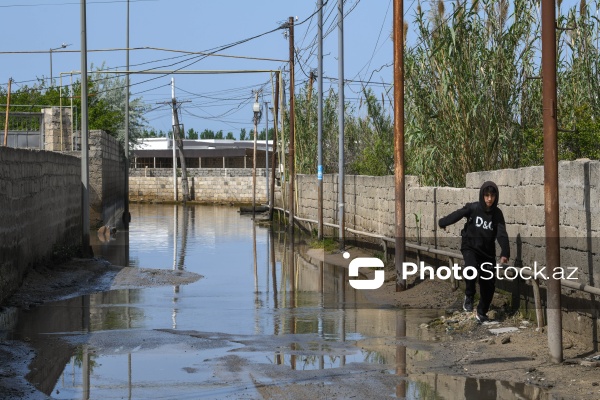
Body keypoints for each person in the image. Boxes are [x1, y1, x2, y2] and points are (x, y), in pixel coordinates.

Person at [438, 181, 510, 323]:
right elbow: (458, 214)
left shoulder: (497, 214)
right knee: (470, 268)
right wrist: (443, 222)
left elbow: (501, 234)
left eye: (492, 196)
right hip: (470, 247)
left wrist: (505, 253)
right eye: (487, 195)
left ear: (496, 197)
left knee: (489, 285)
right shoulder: (474, 208)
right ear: (482, 195)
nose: (489, 199)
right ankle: (469, 295)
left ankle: (481, 311)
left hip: (487, 252)